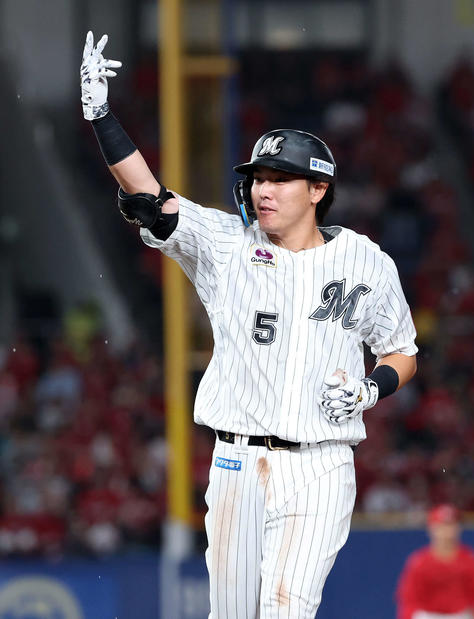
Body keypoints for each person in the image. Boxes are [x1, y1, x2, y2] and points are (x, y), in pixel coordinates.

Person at [80, 32, 418, 618]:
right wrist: (102, 116)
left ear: (318, 189)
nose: (264, 189)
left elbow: (402, 351)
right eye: (259, 177)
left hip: (320, 463)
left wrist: (371, 389)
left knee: (287, 607)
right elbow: (150, 195)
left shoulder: (366, 261)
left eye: (281, 178)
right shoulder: (226, 244)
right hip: (235, 461)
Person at [395, 504, 474, 619]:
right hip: (428, 616)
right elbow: (408, 599)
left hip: (460, 615)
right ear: (432, 528)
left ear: (458, 528)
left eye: (451, 525)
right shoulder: (420, 561)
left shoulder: (470, 559)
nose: (447, 531)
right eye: (442, 526)